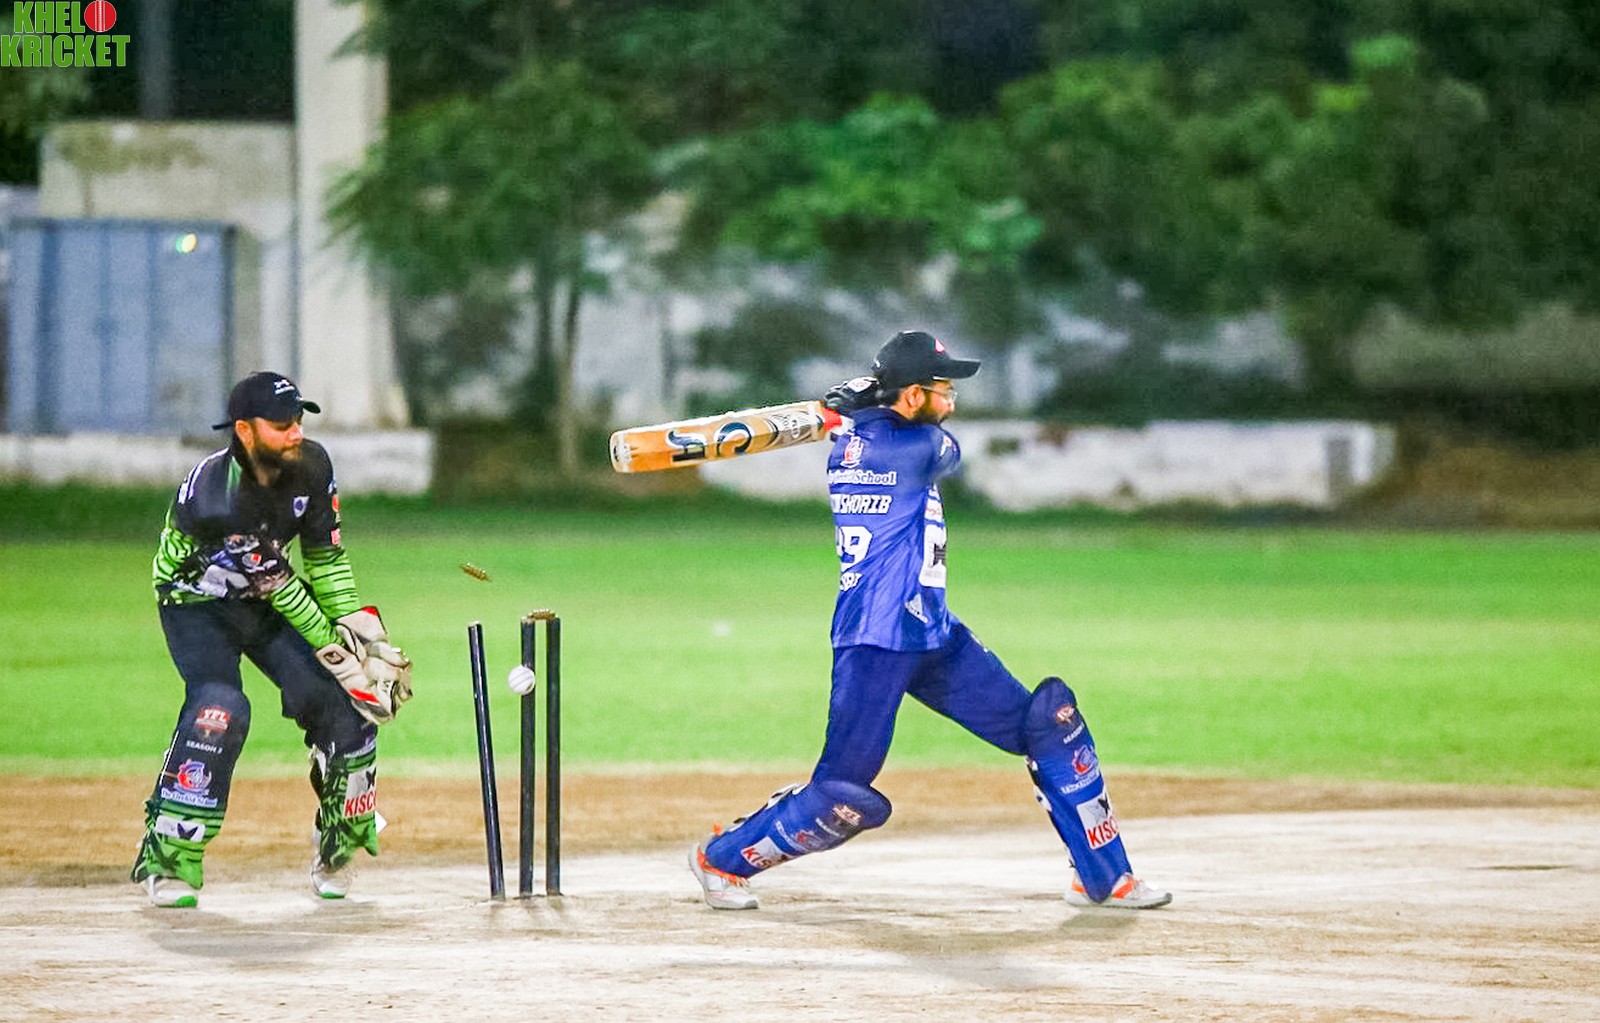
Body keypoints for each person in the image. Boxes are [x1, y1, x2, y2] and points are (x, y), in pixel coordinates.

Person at [687, 330, 1171, 911]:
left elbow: (882, 428)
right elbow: (950, 452)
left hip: (932, 632)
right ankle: (721, 860)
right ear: (913, 396)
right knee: (840, 792)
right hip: (876, 639)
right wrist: (865, 405)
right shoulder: (914, 448)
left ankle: (1104, 877)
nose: (953, 399)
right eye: (943, 388)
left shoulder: (859, 440)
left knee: (1048, 726)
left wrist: (862, 404)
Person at [131, 371, 413, 908]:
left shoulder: (313, 466)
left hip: (260, 600)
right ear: (244, 430)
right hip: (196, 604)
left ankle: (339, 842)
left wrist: (362, 633)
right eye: (282, 425)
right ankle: (170, 857)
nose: (296, 433)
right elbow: (282, 590)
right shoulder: (219, 498)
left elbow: (325, 560)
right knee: (220, 707)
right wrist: (345, 661)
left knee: (344, 707)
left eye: (298, 420)